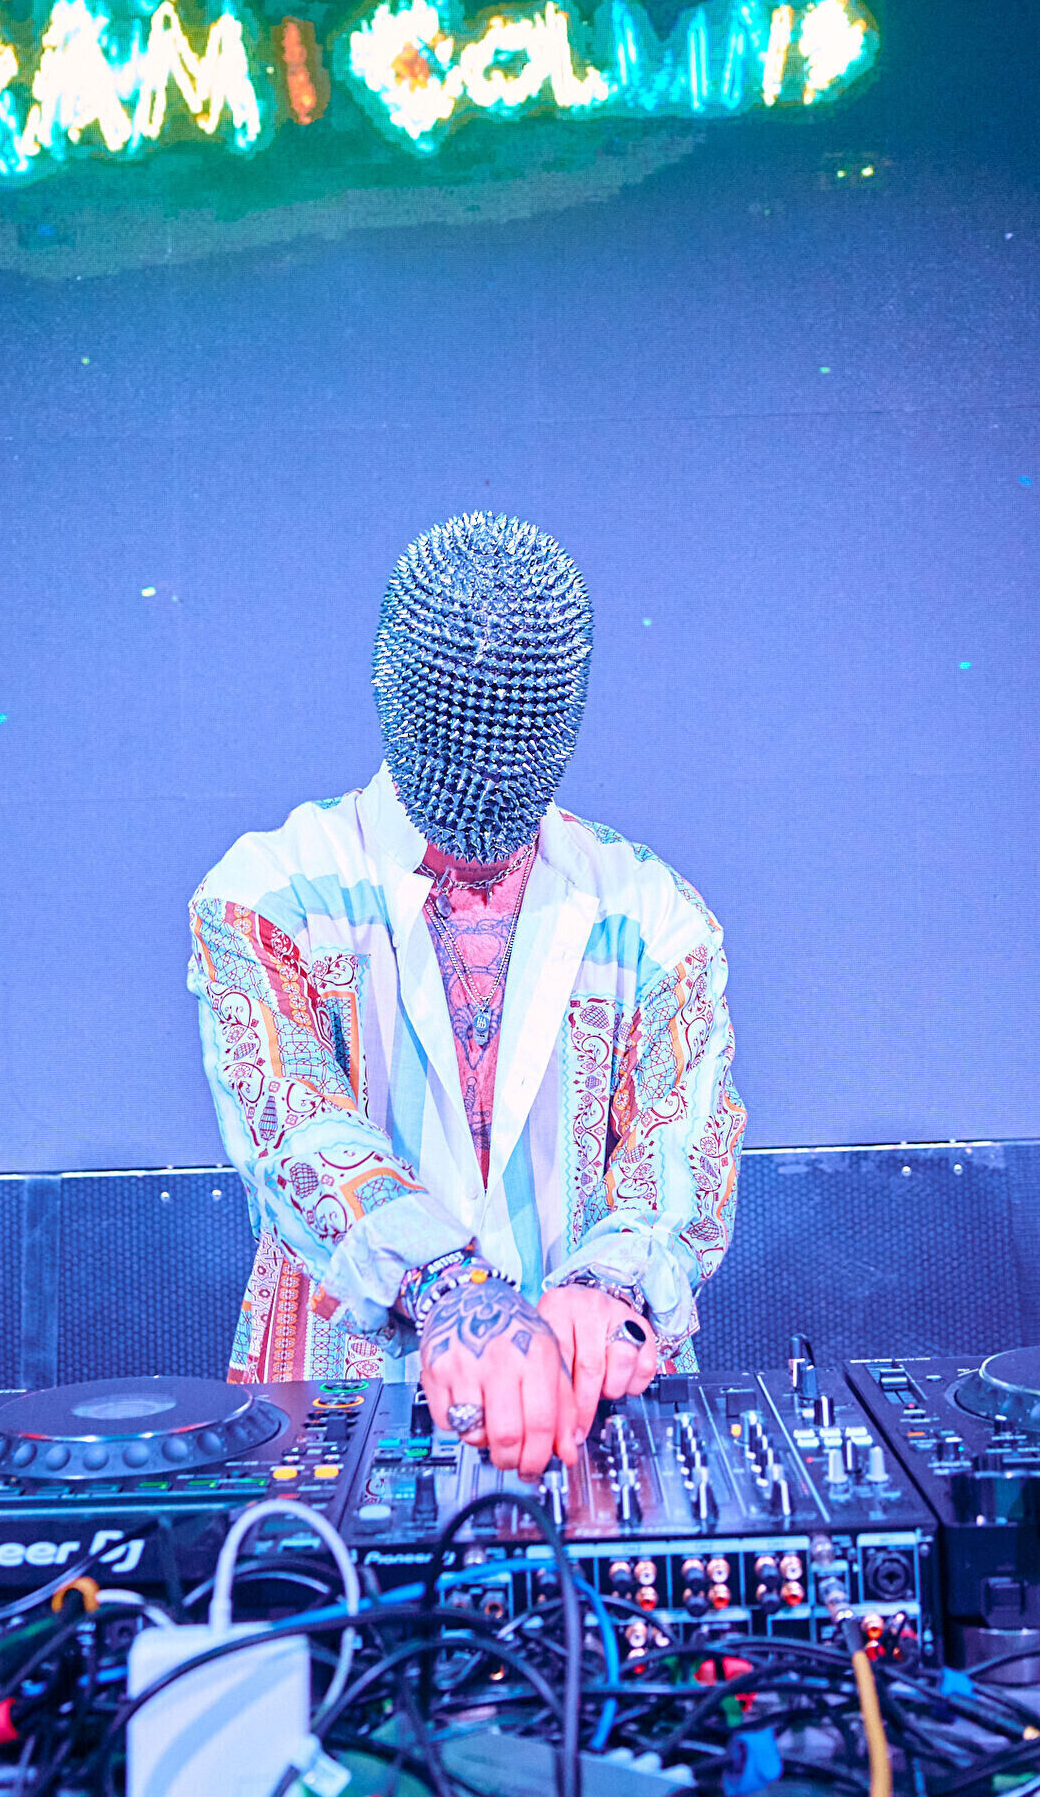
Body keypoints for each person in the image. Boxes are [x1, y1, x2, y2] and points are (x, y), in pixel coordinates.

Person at [188, 513, 745, 1476]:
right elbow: (294, 1131)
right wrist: (452, 1290)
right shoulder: (267, 896)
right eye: (465, 724)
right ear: (398, 693)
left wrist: (609, 1291)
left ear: (560, 719)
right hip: (343, 1423)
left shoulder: (656, 918)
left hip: (595, 1426)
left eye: (513, 729)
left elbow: (679, 1161)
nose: (487, 769)